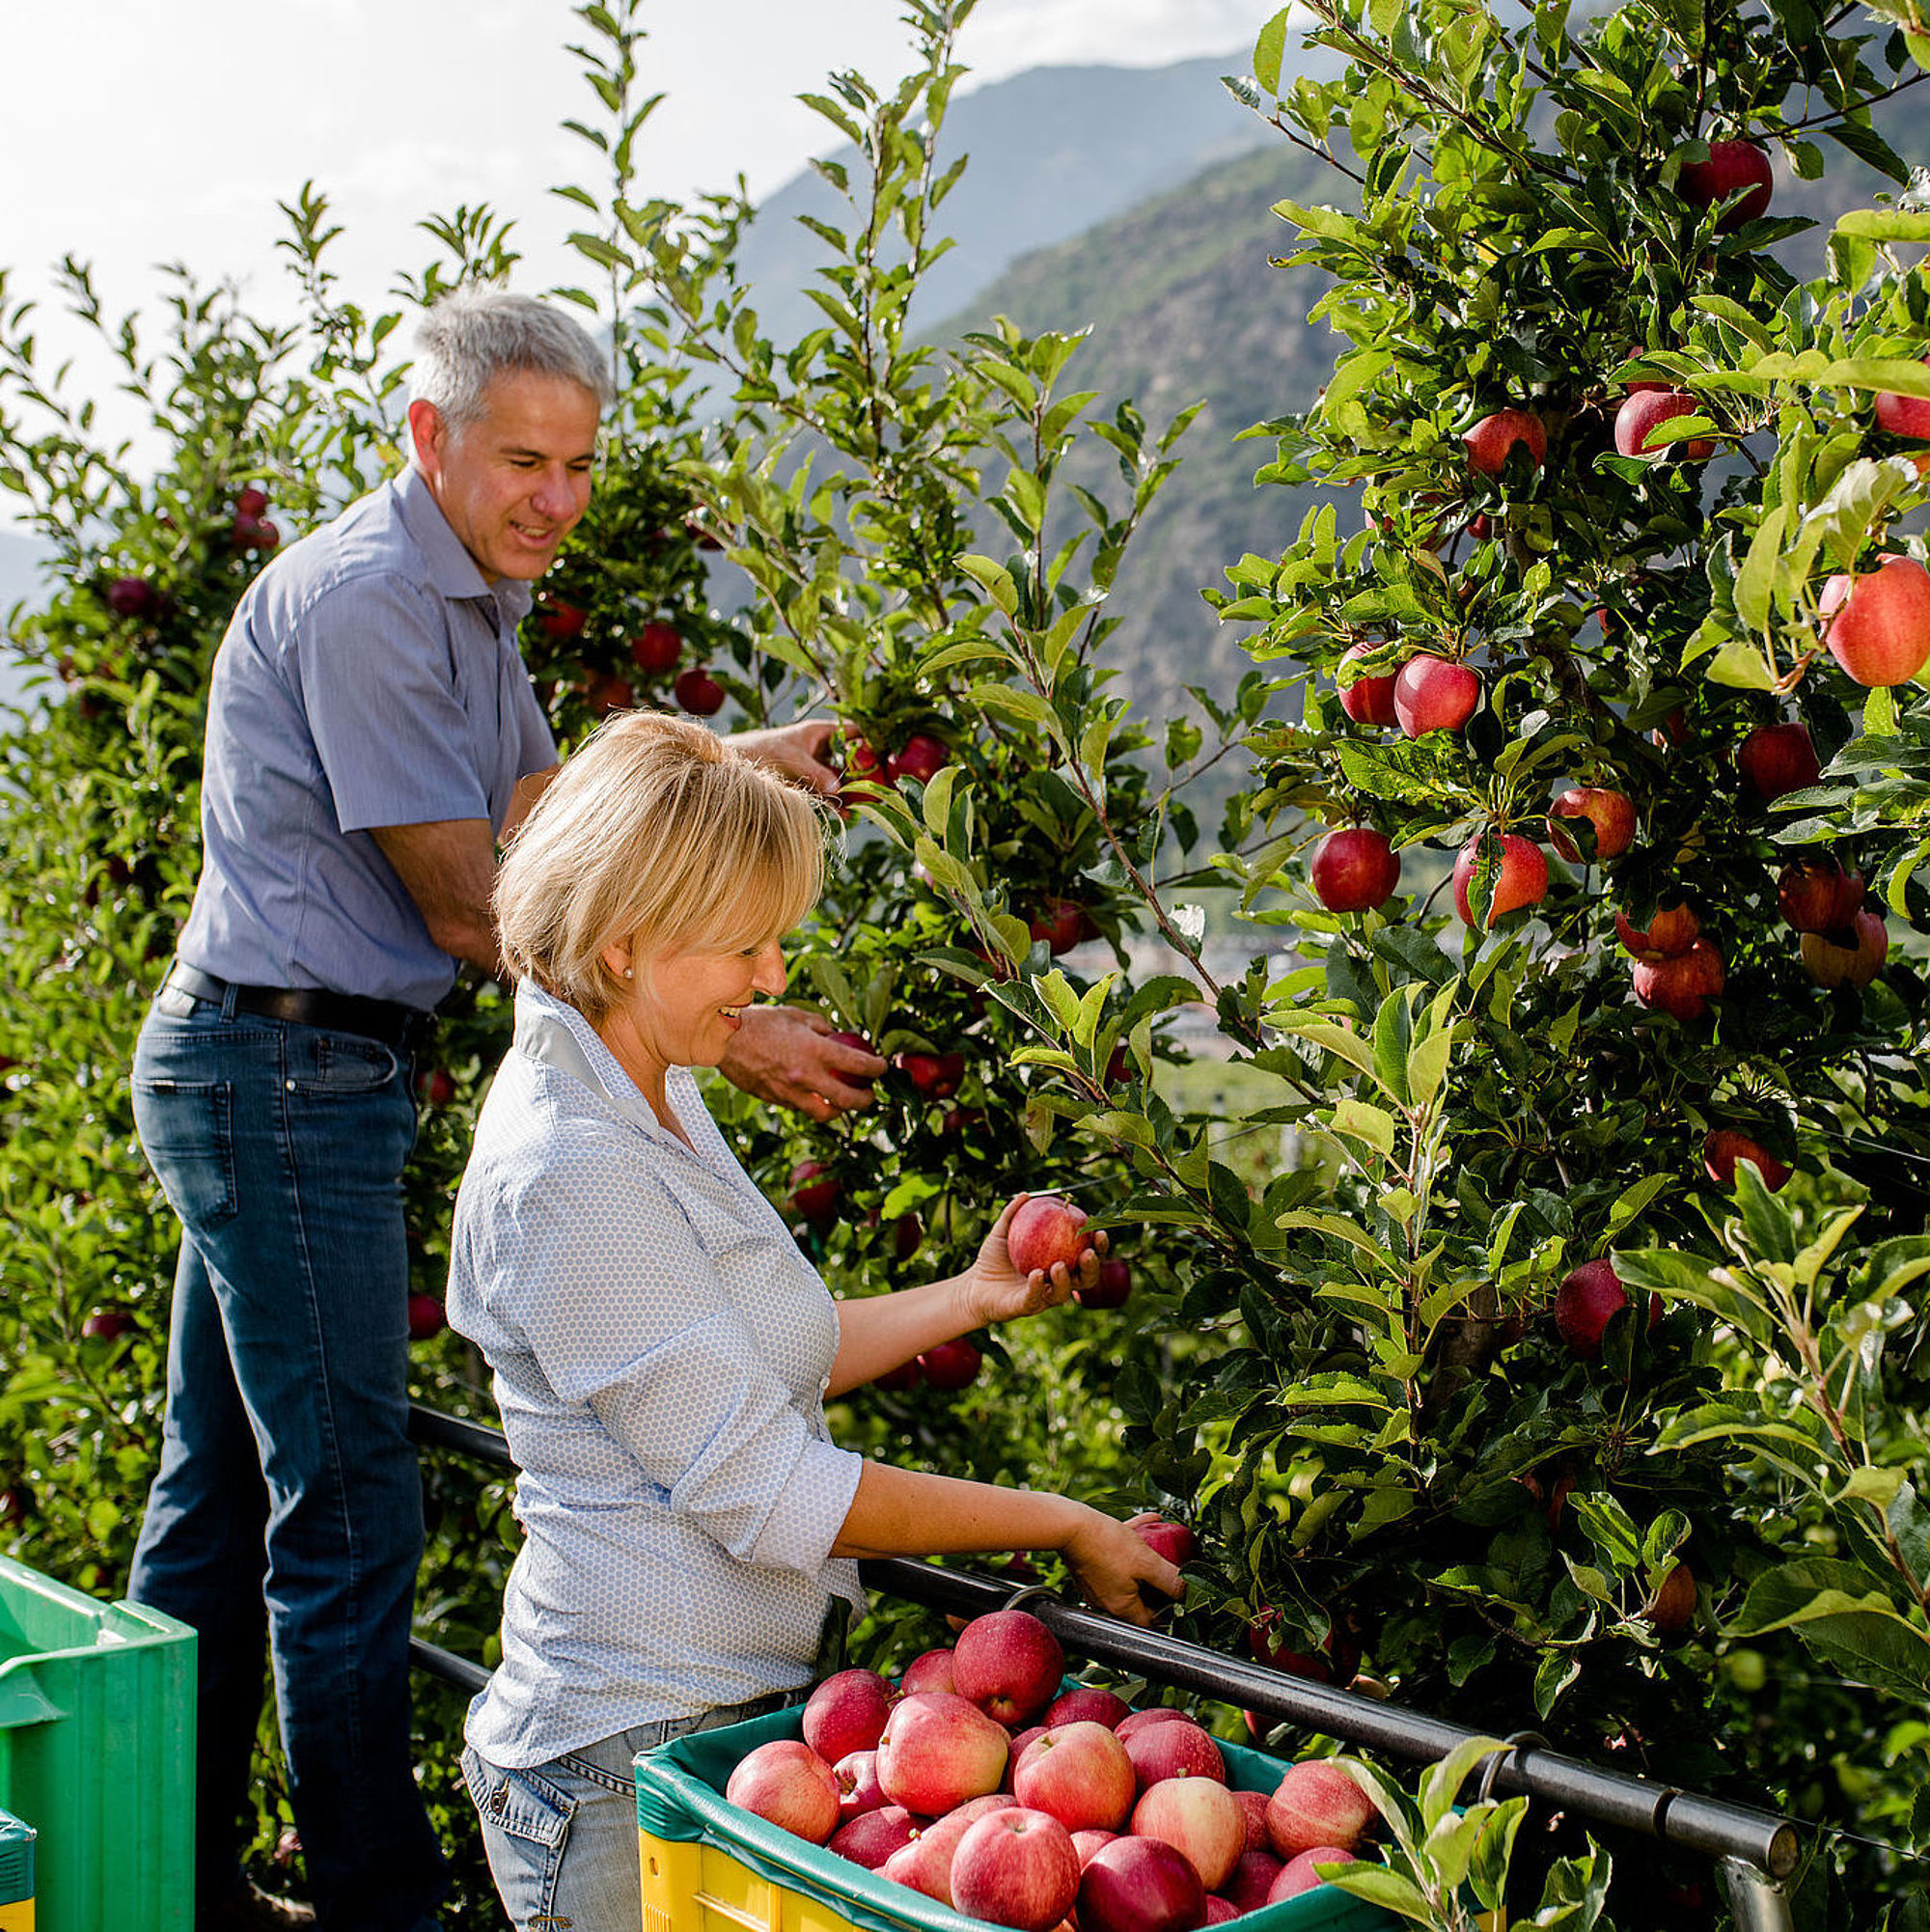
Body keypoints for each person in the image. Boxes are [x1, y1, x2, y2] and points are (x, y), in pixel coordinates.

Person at [126, 288, 886, 1932]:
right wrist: (730, 1030)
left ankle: (159, 1870)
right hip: (282, 1072)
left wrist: (733, 762)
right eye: (525, 461)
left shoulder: (470, 600)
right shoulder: (366, 603)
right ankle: (378, 1905)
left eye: (581, 468)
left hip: (297, 1066)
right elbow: (488, 906)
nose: (556, 498)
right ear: (429, 438)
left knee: (227, 1489)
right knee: (348, 1507)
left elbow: (535, 809)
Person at [447, 709, 1182, 1932]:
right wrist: (1060, 1524)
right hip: (622, 1768)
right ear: (627, 941)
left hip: (729, 1736)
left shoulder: (653, 1086)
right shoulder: (568, 1170)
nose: (774, 978)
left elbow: (759, 1356)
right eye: (748, 945)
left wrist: (970, 1295)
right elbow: (777, 1490)